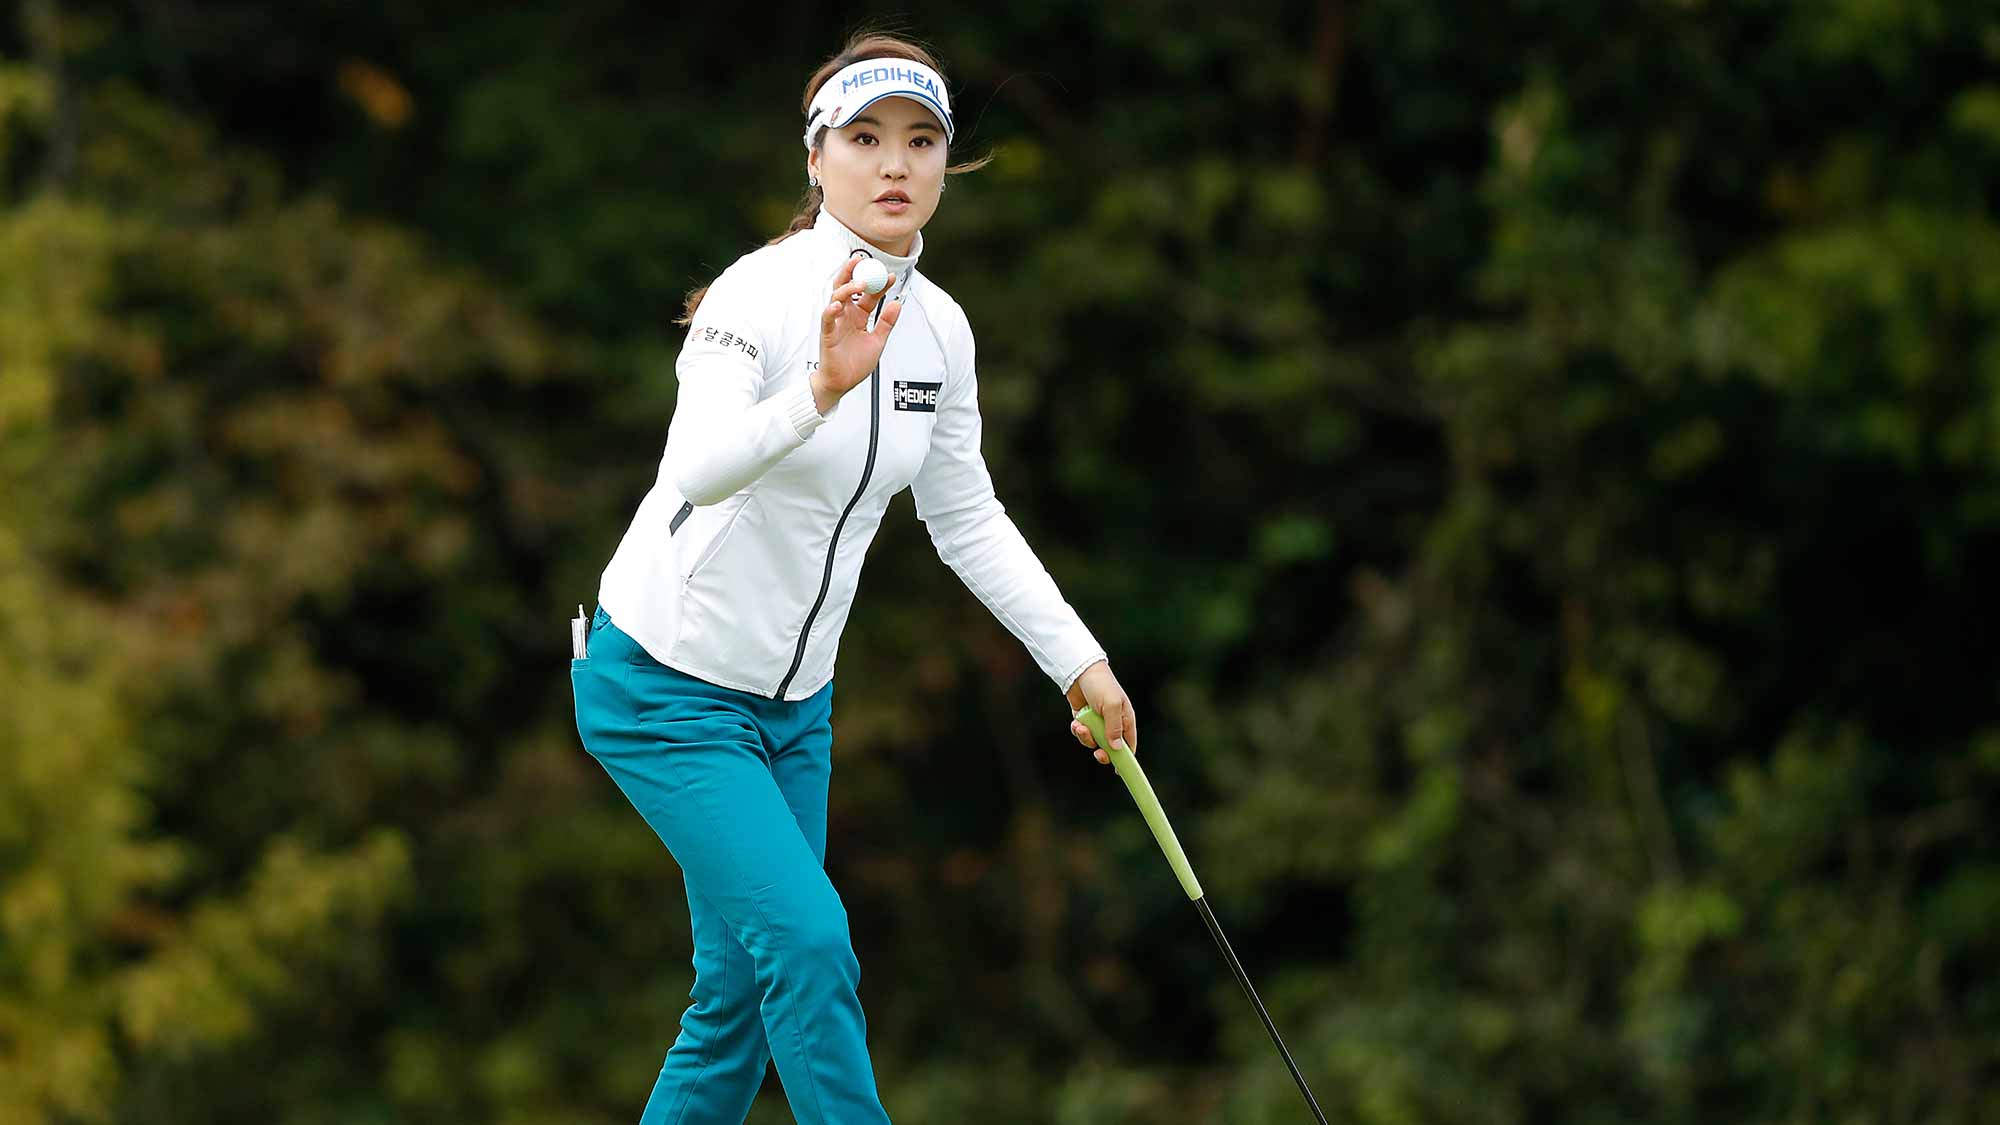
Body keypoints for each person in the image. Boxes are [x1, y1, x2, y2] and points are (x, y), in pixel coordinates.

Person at [570, 30, 1138, 1125]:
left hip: (793, 712)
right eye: (865, 138)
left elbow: (964, 515)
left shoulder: (939, 331)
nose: (894, 164)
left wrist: (1077, 660)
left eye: (920, 141)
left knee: (736, 1002)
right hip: (664, 688)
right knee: (810, 945)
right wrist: (818, 394)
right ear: (816, 158)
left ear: (943, 165)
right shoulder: (760, 295)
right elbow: (693, 466)